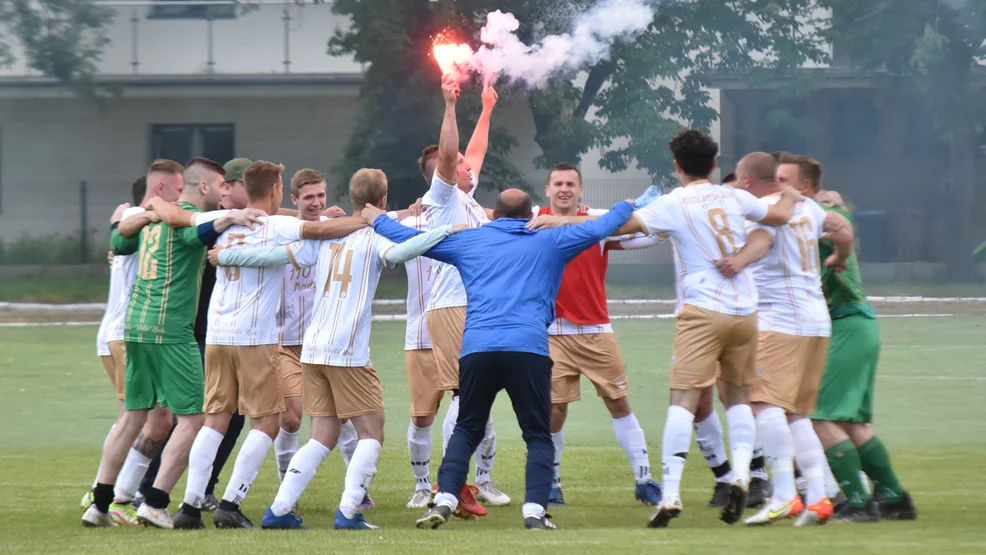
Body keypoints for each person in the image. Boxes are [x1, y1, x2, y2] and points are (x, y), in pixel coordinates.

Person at [370, 141, 660, 530]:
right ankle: (534, 512)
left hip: (478, 348)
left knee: (467, 428)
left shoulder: (472, 238)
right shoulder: (550, 238)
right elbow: (603, 227)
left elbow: (405, 236)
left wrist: (372, 216)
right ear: (532, 215)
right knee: (537, 435)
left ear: (495, 215)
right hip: (528, 349)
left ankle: (444, 499)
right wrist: (628, 204)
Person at [207, 168, 458, 530]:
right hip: (347, 352)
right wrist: (446, 232)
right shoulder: (373, 234)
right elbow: (404, 249)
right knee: (372, 432)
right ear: (382, 200)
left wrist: (227, 257)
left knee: (323, 434)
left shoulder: (324, 237)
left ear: (352, 197)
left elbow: (272, 255)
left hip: (313, 350)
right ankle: (349, 512)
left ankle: (278, 511)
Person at [611, 130, 803, 529]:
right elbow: (779, 217)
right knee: (738, 397)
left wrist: (567, 221)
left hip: (702, 309)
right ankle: (742, 477)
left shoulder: (674, 202)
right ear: (715, 166)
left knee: (683, 399)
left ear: (677, 166)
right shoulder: (735, 196)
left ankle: (671, 495)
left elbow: (625, 227)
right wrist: (791, 194)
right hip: (745, 310)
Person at [83, 158, 265, 528]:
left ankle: (100, 504)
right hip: (171, 330)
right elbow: (194, 234)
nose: (222, 193)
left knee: (134, 415)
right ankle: (156, 501)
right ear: (201, 187)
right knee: (194, 418)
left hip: (135, 326)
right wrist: (230, 218)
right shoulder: (183, 219)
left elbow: (118, 241)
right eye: (218, 186)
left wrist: (148, 212)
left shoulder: (149, 220)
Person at [713, 152, 853, 527]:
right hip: (817, 321)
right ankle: (820, 498)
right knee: (796, 414)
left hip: (780, 320)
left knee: (762, 403)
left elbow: (762, 243)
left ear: (745, 181)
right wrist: (840, 257)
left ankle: (783, 494)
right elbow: (843, 229)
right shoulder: (809, 206)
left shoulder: (762, 210)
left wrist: (738, 262)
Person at [782, 154, 916, 522]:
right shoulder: (804, 215)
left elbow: (842, 224)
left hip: (847, 323)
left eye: (783, 180)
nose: (776, 187)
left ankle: (858, 502)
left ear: (805, 187)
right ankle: (893, 496)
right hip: (851, 325)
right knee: (852, 423)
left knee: (819, 415)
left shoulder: (815, 216)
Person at [524, 162, 663, 506]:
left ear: (580, 190)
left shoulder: (599, 220)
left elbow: (650, 233)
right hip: (551, 332)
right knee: (555, 410)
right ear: (547, 189)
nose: (564, 189)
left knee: (618, 402)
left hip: (596, 330)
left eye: (571, 183)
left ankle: (644, 479)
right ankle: (552, 482)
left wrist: (652, 216)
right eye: (558, 183)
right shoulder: (532, 219)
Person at [416, 77, 507, 511]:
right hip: (450, 306)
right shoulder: (446, 196)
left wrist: (486, 108)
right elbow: (453, 155)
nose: (471, 164)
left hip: (468, 307)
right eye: (460, 164)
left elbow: (476, 151)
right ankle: (451, 483)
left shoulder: (468, 201)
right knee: (462, 395)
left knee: (475, 396)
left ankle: (464, 480)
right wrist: (450, 106)